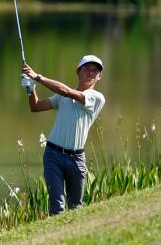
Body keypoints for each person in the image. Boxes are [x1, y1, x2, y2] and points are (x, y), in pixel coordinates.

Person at [21, 55, 106, 216]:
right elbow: (36, 106)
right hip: (53, 155)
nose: (91, 73)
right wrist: (29, 87)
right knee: (57, 207)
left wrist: (37, 77)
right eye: (87, 69)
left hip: (77, 158)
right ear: (78, 72)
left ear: (99, 76)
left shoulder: (97, 98)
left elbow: (66, 91)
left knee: (76, 207)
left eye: (95, 70)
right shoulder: (63, 96)